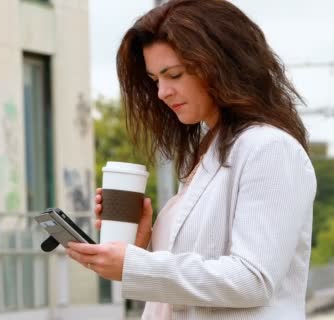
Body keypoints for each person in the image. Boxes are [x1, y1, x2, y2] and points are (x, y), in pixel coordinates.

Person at [67, 0, 317, 318]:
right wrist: (144, 247)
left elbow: (253, 280)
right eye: (156, 79)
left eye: (174, 75)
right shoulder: (210, 154)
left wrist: (136, 266)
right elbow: (195, 277)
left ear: (222, 64)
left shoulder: (268, 149)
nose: (162, 93)